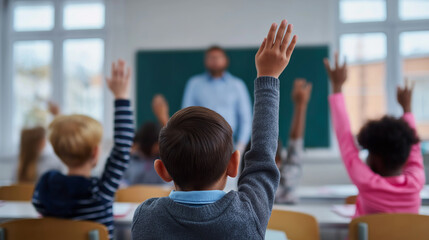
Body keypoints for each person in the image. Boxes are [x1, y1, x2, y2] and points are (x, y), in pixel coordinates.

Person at [132, 19, 298, 239]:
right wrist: (268, 77)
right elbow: (262, 160)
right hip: (217, 145)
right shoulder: (248, 214)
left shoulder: (145, 217)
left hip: (212, 143)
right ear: (234, 165)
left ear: (162, 170)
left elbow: (244, 120)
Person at [32, 59, 134, 239]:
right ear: (95, 153)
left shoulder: (45, 189)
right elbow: (122, 147)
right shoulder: (100, 192)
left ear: (58, 151)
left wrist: (58, 119)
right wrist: (121, 97)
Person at [325, 53, 424, 218]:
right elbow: (414, 150)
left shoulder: (367, 182)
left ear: (376, 159)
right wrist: (407, 109)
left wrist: (337, 87)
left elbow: (345, 140)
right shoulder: (416, 181)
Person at [182, 46, 252, 151]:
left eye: (218, 57)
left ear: (226, 60)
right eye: (211, 57)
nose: (215, 60)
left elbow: (246, 119)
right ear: (205, 61)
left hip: (229, 144)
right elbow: (186, 115)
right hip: (200, 144)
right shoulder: (194, 84)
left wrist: (240, 147)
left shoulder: (237, 85)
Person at [276, 78, 312, 204]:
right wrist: (300, 105)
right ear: (278, 160)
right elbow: (295, 146)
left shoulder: (246, 189)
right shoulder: (286, 183)